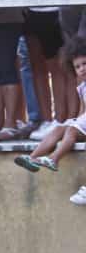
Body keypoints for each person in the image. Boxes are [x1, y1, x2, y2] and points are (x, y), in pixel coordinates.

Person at [15, 36, 86, 170]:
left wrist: (75, 126)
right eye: (77, 67)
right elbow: (83, 110)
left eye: (84, 64)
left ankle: (54, 159)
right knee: (59, 128)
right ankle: (32, 157)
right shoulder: (81, 86)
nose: (82, 69)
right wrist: (75, 120)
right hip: (84, 123)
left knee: (71, 130)